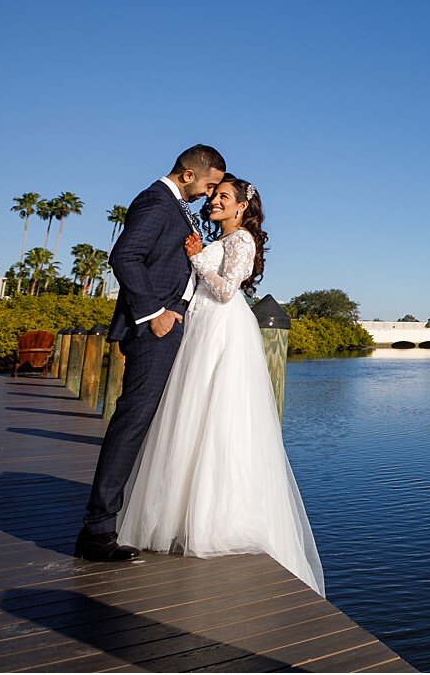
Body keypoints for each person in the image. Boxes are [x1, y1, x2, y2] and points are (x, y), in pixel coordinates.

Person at [115, 175, 325, 595]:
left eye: (223, 197)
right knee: (187, 415)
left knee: (219, 417)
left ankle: (216, 520)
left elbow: (229, 291)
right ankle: (177, 512)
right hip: (200, 326)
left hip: (224, 330)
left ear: (242, 207)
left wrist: (199, 260)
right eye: (214, 195)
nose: (214, 201)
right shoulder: (215, 237)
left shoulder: (242, 241)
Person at [77, 144, 226, 562]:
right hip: (154, 329)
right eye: (209, 184)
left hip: (169, 326)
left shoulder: (173, 206)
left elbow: (157, 260)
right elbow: (124, 257)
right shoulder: (157, 201)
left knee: (145, 423)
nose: (209, 194)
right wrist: (154, 313)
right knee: (133, 422)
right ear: (188, 174)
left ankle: (118, 520)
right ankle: (97, 530)